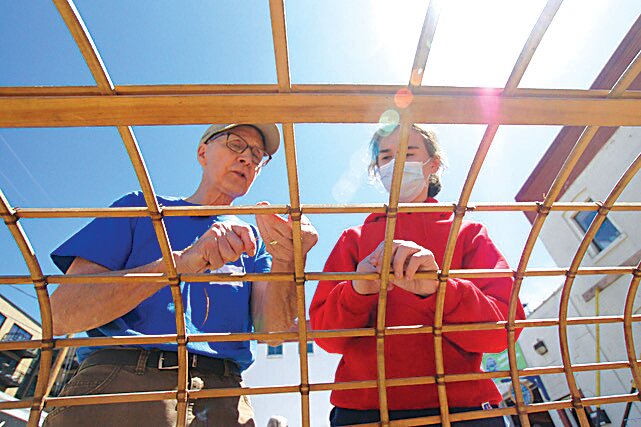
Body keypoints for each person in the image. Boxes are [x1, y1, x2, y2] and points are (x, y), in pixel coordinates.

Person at [44, 124, 318, 427]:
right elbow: (61, 314)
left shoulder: (258, 242)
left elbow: (274, 331)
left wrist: (290, 258)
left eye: (258, 155)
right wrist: (180, 263)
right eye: (236, 144)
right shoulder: (141, 208)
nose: (248, 159)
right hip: (123, 385)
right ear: (203, 152)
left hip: (225, 398)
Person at [309, 124, 525, 426]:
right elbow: (326, 338)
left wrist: (442, 290)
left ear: (433, 164)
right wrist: (356, 291)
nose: (395, 164)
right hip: (364, 409)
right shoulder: (353, 239)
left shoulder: (467, 232)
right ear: (376, 169)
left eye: (408, 153)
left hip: (461, 408)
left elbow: (505, 330)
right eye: (386, 157)